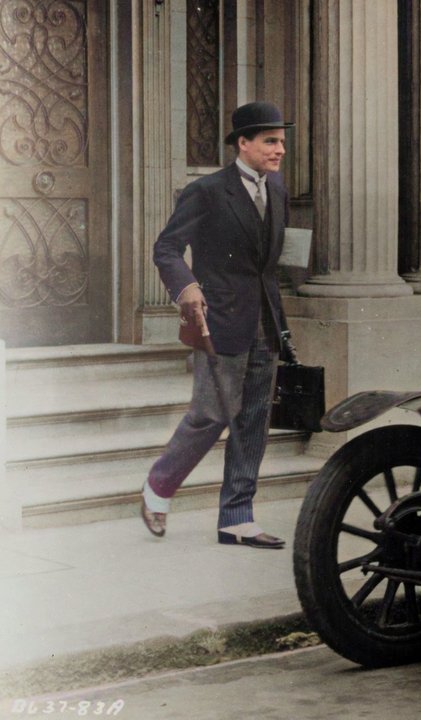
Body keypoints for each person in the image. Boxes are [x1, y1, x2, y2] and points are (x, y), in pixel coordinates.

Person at [141, 101, 294, 549]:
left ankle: (237, 519)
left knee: (253, 420)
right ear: (242, 144)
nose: (279, 149)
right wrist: (185, 286)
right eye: (270, 141)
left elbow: (269, 260)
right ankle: (158, 488)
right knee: (210, 414)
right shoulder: (206, 191)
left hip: (265, 320)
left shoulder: (278, 190)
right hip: (220, 320)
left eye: (282, 141)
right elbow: (166, 248)